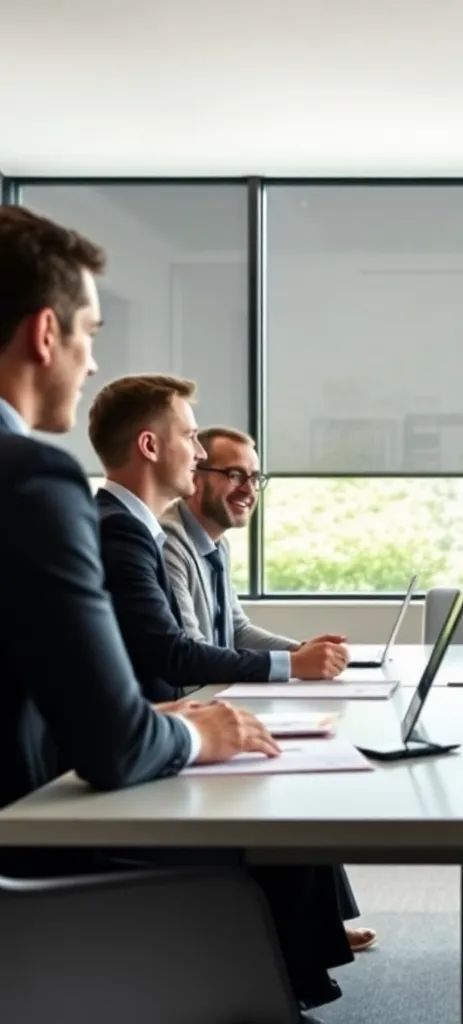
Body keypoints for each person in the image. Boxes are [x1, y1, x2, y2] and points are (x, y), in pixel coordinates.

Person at [0, 206, 341, 1021]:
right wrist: (195, 732)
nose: (90, 364)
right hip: (31, 856)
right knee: (259, 834)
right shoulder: (32, 484)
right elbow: (115, 744)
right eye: (90, 331)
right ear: (46, 334)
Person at [160, 423, 377, 953]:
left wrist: (304, 652)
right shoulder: (169, 541)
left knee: (304, 761)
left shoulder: (213, 544)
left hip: (214, 704)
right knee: (288, 773)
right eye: (234, 473)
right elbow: (187, 648)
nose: (248, 488)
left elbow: (235, 628)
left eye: (256, 477)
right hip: (188, 716)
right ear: (195, 474)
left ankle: (318, 924)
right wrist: (291, 664)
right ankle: (305, 938)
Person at [87, 376, 350, 703]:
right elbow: (173, 655)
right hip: (149, 738)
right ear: (150, 446)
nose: (198, 455)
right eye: (189, 437)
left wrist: (299, 655)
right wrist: (293, 663)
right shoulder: (121, 532)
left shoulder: (129, 527)